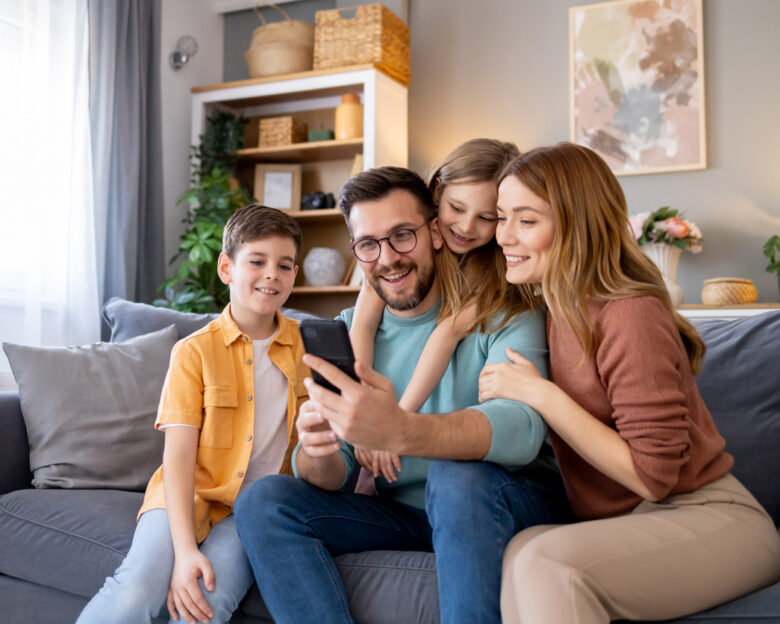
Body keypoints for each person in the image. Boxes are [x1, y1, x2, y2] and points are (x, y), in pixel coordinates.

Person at [234, 166, 571, 624]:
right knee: (265, 500)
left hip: (503, 503)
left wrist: (402, 430)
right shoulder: (356, 329)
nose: (388, 257)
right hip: (406, 516)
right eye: (368, 244)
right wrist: (319, 449)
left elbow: (522, 428)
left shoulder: (505, 307)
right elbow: (340, 470)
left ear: (435, 231)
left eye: (402, 236)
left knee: (457, 478)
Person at [476, 142, 780, 623]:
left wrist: (542, 394)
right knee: (523, 551)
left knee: (545, 562)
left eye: (526, 221)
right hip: (639, 522)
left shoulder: (629, 314)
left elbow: (652, 477)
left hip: (713, 518)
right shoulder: (554, 312)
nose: (503, 236)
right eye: (501, 217)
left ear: (577, 226)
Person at [76, 205, 310, 624]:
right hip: (187, 496)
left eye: (285, 265)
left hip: (254, 510)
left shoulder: (309, 349)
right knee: (135, 595)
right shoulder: (193, 352)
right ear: (226, 267)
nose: (272, 274)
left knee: (204, 606)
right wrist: (185, 552)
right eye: (257, 261)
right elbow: (179, 457)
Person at [349, 138, 522, 482]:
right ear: (438, 192)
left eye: (487, 217)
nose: (467, 227)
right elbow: (362, 327)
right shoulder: (400, 253)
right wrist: (363, 407)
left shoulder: (491, 278)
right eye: (456, 209)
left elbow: (446, 336)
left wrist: (396, 423)